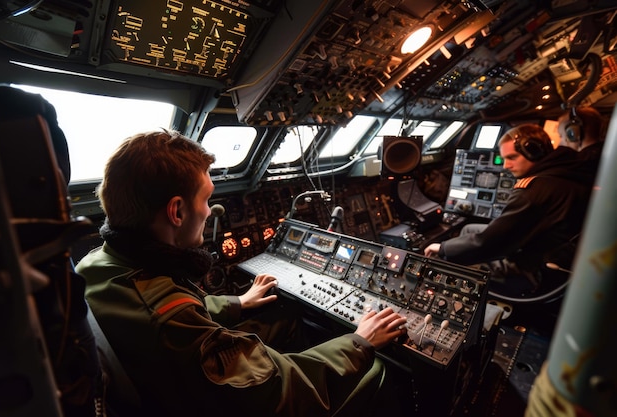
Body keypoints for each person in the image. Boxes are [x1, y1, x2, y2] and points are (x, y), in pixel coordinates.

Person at [75, 130, 408, 417]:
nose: (208, 210)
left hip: (161, 383)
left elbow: (175, 309)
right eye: (206, 199)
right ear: (177, 211)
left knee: (282, 314)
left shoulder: (98, 264)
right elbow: (276, 392)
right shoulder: (168, 321)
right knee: (375, 369)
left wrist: (237, 302)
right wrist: (359, 342)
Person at [423, 124, 594, 298]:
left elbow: (489, 243)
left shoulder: (533, 191)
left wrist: (443, 248)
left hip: (536, 267)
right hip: (553, 249)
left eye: (511, 157)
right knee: (469, 229)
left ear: (534, 152)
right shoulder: (568, 169)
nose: (505, 166)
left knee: (449, 259)